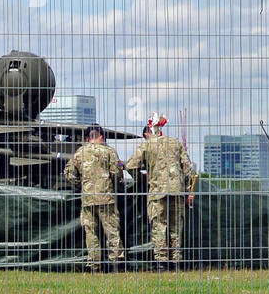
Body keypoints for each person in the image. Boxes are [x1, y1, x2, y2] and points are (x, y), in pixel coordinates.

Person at [124, 116, 196, 270]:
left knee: (159, 226)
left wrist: (142, 179)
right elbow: (189, 170)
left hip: (157, 191)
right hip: (177, 190)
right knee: (176, 227)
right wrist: (189, 190)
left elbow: (130, 166)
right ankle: (176, 261)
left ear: (148, 132)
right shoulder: (175, 143)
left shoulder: (147, 144)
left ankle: (162, 262)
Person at [64, 124, 127, 273]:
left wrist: (81, 185)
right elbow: (117, 173)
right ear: (102, 137)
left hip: (88, 199)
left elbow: (69, 173)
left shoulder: (79, 152)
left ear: (87, 138)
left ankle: (94, 264)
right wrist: (116, 186)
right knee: (112, 230)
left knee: (91, 232)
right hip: (106, 198)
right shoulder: (109, 152)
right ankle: (116, 262)